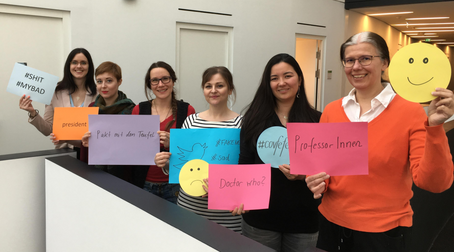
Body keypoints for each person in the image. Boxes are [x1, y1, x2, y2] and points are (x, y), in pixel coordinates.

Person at [305, 31, 454, 252]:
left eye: (365, 58)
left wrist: (434, 128)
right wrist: (318, 180)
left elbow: (434, 183)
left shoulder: (410, 112)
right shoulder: (332, 111)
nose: (356, 66)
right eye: (349, 60)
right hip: (332, 224)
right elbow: (325, 167)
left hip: (384, 232)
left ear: (385, 62)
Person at [239, 53, 321, 251]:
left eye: (288, 76)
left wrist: (304, 176)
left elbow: (326, 171)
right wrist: (236, 195)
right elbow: (244, 164)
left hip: (304, 220)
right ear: (267, 84)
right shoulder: (253, 119)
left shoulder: (317, 120)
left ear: (299, 79)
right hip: (259, 218)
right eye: (274, 78)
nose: (281, 83)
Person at [154, 66, 243, 232]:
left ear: (230, 89)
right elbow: (181, 163)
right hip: (189, 207)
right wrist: (165, 163)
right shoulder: (191, 121)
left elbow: (245, 169)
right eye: (208, 86)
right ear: (203, 90)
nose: (213, 90)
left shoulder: (241, 124)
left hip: (226, 213)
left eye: (220, 85)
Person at [131, 61, 195, 203]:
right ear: (150, 85)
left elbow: (193, 152)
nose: (160, 84)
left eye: (165, 78)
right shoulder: (139, 110)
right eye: (155, 80)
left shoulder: (187, 110)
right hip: (144, 182)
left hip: (177, 186)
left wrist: (173, 143)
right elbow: (133, 150)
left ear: (173, 81)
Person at [19, 48, 97, 151]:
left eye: (83, 63)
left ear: (89, 66)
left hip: (91, 152)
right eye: (74, 62)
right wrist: (32, 112)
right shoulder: (55, 92)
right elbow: (48, 130)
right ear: (68, 66)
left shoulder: (98, 93)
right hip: (65, 152)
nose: (79, 66)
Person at [80, 61, 136, 180]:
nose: (103, 86)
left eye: (109, 81)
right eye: (99, 81)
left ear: (119, 81)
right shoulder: (91, 108)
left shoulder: (132, 110)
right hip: (94, 172)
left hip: (123, 175)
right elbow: (85, 144)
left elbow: (135, 148)